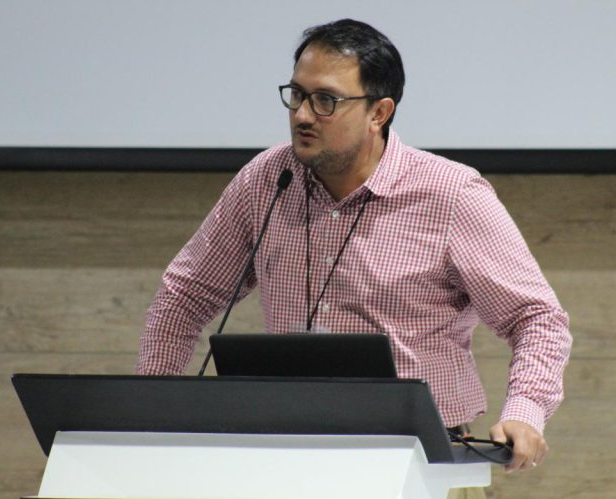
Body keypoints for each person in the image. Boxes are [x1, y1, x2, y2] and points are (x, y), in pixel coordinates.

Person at [137, 18, 572, 482]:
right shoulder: (266, 180)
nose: (303, 115)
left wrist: (525, 411)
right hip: (283, 456)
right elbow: (185, 297)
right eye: (297, 95)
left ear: (378, 113)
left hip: (421, 462)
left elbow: (537, 318)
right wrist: (151, 408)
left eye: (325, 100)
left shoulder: (451, 195)